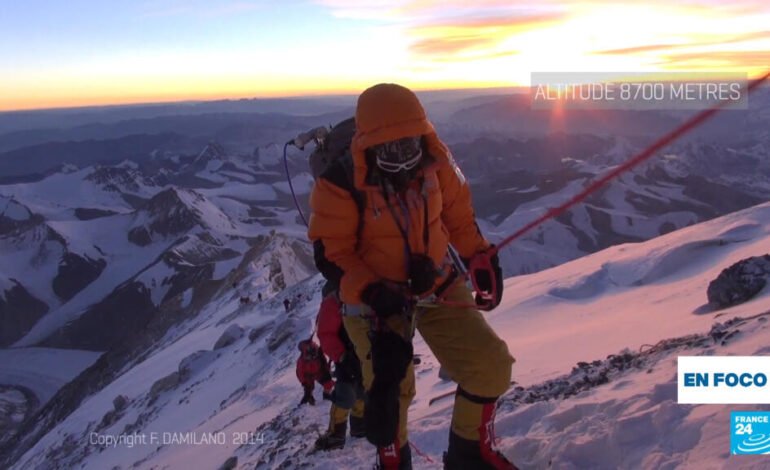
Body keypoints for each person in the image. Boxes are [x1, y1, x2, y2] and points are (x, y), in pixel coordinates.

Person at [308, 83, 516, 469]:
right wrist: (373, 291)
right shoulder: (339, 182)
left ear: (424, 134)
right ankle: (393, 462)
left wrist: (478, 257)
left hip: (435, 284)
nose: (404, 159)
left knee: (489, 365)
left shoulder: (436, 161)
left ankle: (470, 456)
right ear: (368, 145)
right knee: (391, 392)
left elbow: (457, 215)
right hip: (374, 302)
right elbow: (333, 255)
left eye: (410, 145)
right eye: (390, 149)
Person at [313, 283, 366, 451]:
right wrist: (342, 356)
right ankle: (336, 433)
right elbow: (327, 335)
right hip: (347, 356)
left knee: (361, 390)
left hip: (359, 353)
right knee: (346, 394)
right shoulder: (333, 302)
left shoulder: (346, 296)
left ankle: (358, 427)